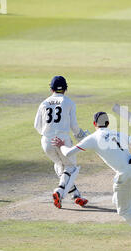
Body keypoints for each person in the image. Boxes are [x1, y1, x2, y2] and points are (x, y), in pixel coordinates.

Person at [52, 112, 131, 244]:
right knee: (119, 200)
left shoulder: (93, 138)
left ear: (94, 124)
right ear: (108, 123)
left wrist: (61, 144)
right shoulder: (118, 134)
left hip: (125, 174)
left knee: (123, 210)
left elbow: (67, 153)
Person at [34, 76, 89, 209]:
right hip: (63, 140)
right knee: (71, 167)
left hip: (46, 141)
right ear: (65, 89)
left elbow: (37, 125)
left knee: (59, 165)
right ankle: (59, 190)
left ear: (51, 89)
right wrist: (83, 137)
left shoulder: (44, 103)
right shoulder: (69, 102)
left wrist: (48, 135)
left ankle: (75, 194)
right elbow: (74, 126)